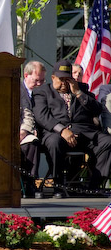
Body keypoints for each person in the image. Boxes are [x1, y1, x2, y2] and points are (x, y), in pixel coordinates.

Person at [33, 59, 111, 196]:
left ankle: (94, 186)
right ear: (53, 78)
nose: (64, 83)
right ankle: (57, 185)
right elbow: (42, 116)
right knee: (53, 142)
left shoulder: (82, 89)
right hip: (57, 134)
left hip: (85, 134)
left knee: (107, 142)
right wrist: (62, 130)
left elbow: (98, 109)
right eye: (61, 79)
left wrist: (78, 93)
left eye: (67, 79)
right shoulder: (43, 92)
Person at [20, 61, 46, 198]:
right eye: (36, 80)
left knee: (33, 142)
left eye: (42, 80)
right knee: (31, 143)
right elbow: (25, 113)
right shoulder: (16, 88)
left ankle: (30, 182)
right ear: (26, 75)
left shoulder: (45, 91)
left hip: (39, 132)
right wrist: (23, 131)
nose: (39, 84)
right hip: (19, 130)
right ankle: (24, 183)